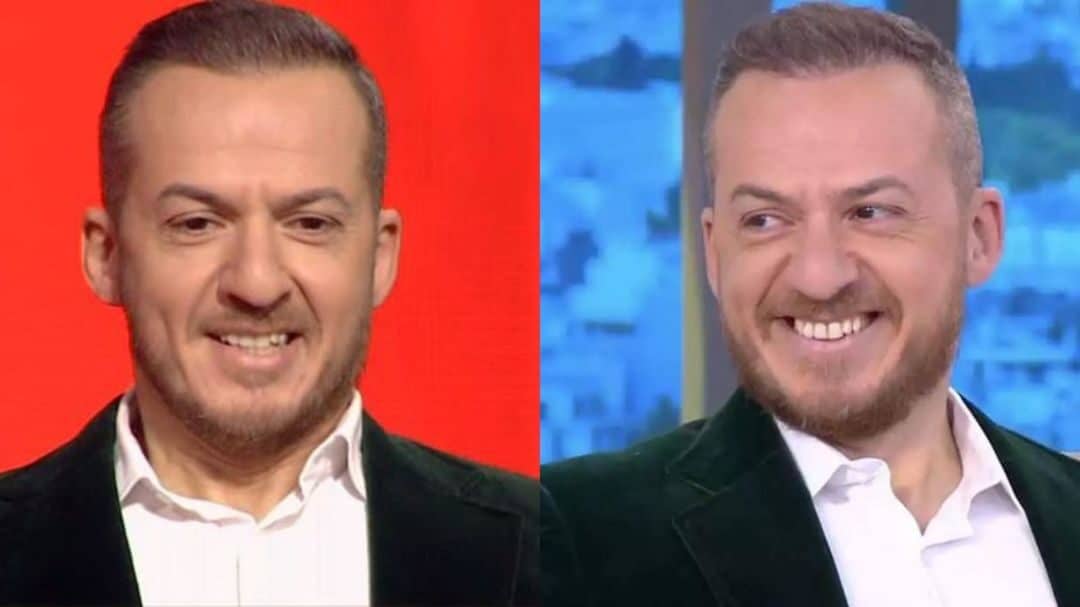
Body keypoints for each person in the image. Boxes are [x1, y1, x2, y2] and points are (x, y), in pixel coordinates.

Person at [541, 4, 1080, 606]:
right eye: (765, 220)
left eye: (870, 212)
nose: (819, 277)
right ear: (714, 254)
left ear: (979, 236)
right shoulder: (567, 544)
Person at [0, 1, 537, 605]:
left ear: (380, 258)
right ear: (107, 256)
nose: (257, 284)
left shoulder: (543, 553)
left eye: (310, 223)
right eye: (197, 223)